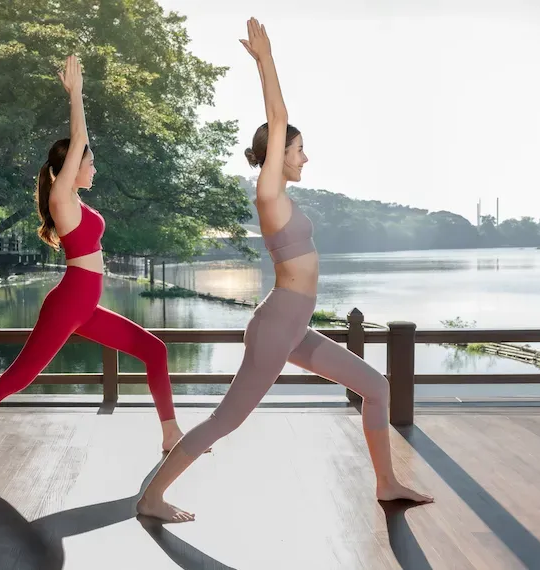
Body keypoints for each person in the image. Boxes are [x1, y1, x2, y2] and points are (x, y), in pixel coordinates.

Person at [136, 18, 434, 523]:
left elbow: (281, 128)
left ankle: (386, 484)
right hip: (277, 326)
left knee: (377, 387)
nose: (305, 157)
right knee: (226, 420)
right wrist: (265, 60)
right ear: (277, 154)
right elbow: (278, 117)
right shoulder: (269, 192)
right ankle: (151, 497)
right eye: (298, 150)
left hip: (295, 326)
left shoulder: (285, 197)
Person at [0, 55, 189, 464]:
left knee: (154, 350)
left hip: (85, 306)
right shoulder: (61, 199)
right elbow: (79, 136)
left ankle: (170, 433)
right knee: (19, 377)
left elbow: (81, 149)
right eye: (89, 162)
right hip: (69, 303)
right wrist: (76, 95)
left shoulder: (76, 202)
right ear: (71, 166)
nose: (94, 168)